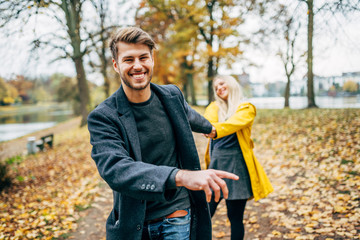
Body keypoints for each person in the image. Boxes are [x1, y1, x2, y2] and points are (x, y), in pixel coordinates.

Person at [87, 27, 239, 240]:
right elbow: (116, 169)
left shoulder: (171, 96)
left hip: (176, 215)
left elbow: (189, 115)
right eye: (128, 59)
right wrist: (181, 176)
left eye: (143, 57)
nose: (138, 66)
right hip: (132, 225)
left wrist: (211, 129)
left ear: (152, 60)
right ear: (116, 65)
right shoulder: (103, 116)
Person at [203, 75, 273, 240]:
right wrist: (210, 127)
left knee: (235, 218)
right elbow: (208, 121)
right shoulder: (214, 107)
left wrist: (214, 130)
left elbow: (234, 124)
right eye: (216, 87)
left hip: (237, 168)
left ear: (231, 83)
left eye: (222, 83)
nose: (219, 88)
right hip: (217, 166)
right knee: (205, 214)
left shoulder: (246, 108)